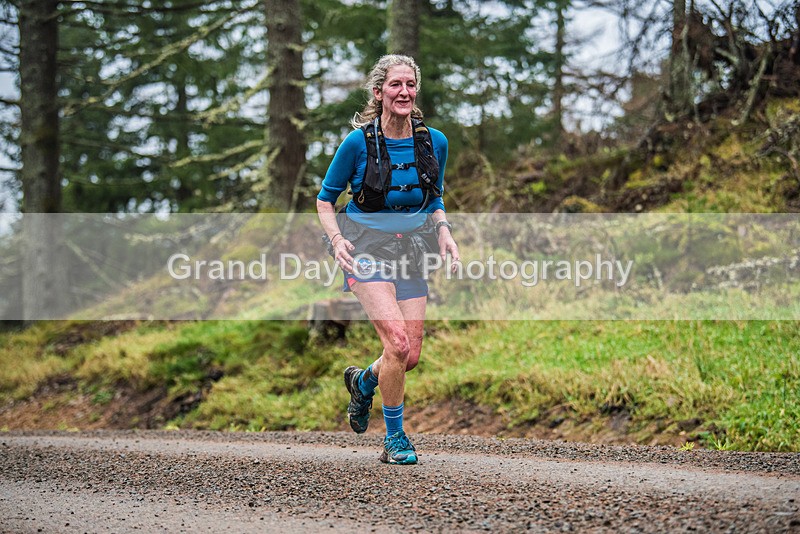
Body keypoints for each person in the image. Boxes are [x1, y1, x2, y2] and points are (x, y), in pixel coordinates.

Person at [316, 54, 459, 465]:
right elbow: (325, 200)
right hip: (365, 249)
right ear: (378, 93)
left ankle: (362, 382)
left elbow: (434, 195)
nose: (404, 92)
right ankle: (395, 440)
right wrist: (338, 239)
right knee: (395, 342)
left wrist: (445, 230)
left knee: (409, 356)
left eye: (410, 85)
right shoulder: (357, 142)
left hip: (412, 250)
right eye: (396, 85)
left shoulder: (434, 141)